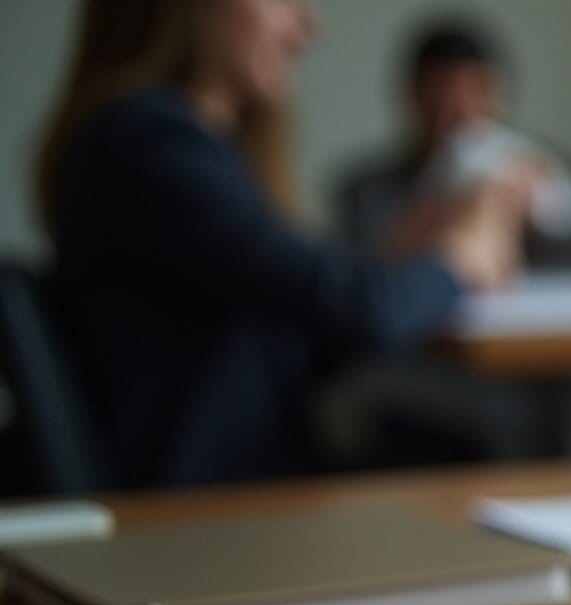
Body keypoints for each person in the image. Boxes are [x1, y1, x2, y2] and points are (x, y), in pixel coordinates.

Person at [35, 0, 524, 489]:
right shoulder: (150, 142)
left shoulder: (183, 145)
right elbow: (363, 309)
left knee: (475, 450)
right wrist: (460, 255)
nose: (308, 26)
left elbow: (305, 335)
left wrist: (399, 258)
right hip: (204, 504)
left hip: (238, 481)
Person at [336, 20, 571, 270]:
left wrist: (540, 223)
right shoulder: (368, 190)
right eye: (442, 92)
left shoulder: (544, 166)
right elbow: (360, 283)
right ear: (412, 94)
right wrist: (433, 224)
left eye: (477, 91)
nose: (461, 110)